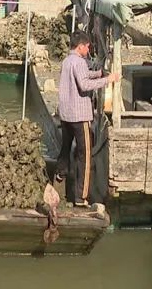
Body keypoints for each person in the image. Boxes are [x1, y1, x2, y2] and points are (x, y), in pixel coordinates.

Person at [55, 31, 120, 206]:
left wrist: (98, 73)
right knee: (85, 155)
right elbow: (84, 85)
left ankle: (59, 176)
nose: (89, 48)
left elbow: (82, 76)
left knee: (65, 147)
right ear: (81, 46)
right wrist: (108, 79)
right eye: (87, 46)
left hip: (66, 114)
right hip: (79, 115)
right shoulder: (79, 62)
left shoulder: (68, 61)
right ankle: (80, 197)